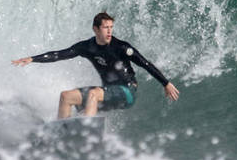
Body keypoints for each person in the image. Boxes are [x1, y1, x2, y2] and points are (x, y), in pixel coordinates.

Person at [12, 12, 180, 119]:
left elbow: (145, 63)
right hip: (106, 93)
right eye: (105, 28)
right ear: (95, 29)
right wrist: (33, 59)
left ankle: (87, 133)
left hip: (127, 92)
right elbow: (60, 54)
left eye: (111, 28)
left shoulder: (121, 47)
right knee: (66, 97)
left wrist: (166, 83)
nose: (109, 31)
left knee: (93, 94)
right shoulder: (87, 47)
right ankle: (62, 132)